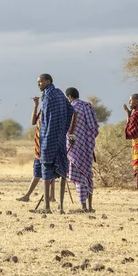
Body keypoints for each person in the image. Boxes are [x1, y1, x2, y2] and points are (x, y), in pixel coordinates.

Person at [37, 74, 75, 213]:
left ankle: (46, 207)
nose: (39, 84)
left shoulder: (48, 96)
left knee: (46, 171)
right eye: (38, 82)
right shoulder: (59, 93)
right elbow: (71, 110)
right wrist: (64, 129)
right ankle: (61, 207)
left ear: (48, 81)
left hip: (48, 137)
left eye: (41, 81)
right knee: (63, 171)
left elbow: (46, 119)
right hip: (59, 138)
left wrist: (47, 134)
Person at [65, 87, 100, 212]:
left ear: (69, 97)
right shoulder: (88, 107)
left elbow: (68, 129)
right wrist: (88, 140)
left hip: (74, 146)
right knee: (87, 174)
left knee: (79, 174)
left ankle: (83, 206)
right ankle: (90, 206)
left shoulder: (70, 108)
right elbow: (94, 128)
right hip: (87, 147)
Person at [16, 97, 55, 202]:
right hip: (39, 147)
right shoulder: (43, 110)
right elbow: (33, 121)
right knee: (42, 172)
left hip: (46, 147)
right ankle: (50, 196)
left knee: (44, 172)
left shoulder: (53, 112)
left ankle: (29, 196)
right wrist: (36, 105)